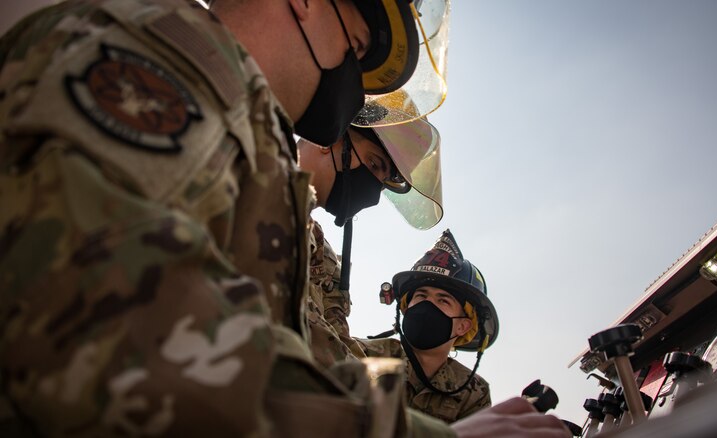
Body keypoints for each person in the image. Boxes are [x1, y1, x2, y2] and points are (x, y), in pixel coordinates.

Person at [0, 0, 570, 436]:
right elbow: (110, 335)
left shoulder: (244, 127)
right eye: (355, 42)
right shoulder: (173, 66)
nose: (352, 81)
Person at [298, 118, 445, 367]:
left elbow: (335, 351)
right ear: (331, 138)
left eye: (383, 180)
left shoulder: (324, 258)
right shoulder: (240, 171)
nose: (374, 195)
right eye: (374, 163)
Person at [357, 229, 499, 423]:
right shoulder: (363, 355)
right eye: (421, 296)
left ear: (463, 326)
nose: (427, 305)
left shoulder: (473, 394)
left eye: (443, 301)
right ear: (406, 309)